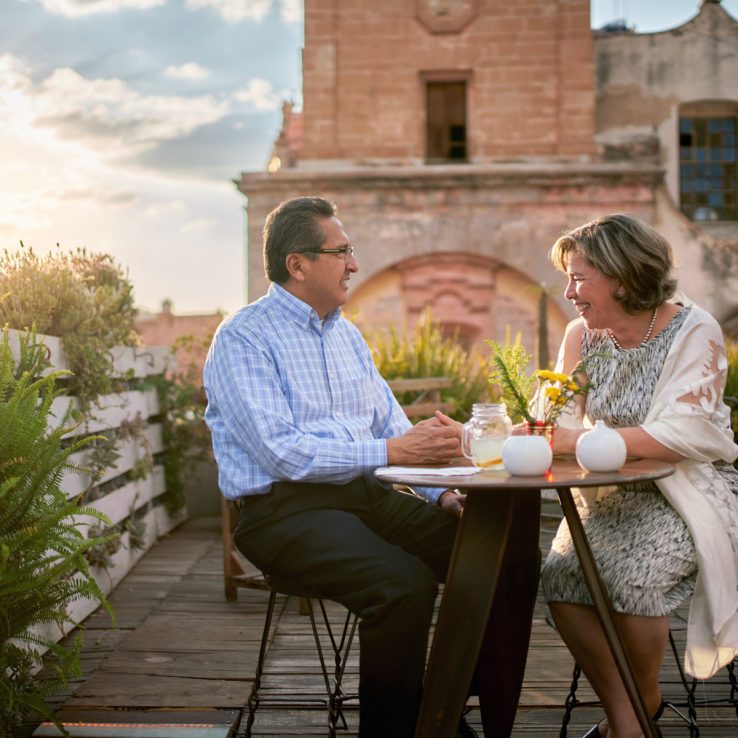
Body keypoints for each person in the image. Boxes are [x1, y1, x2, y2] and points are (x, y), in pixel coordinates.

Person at [203, 196, 539, 738]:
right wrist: (395, 455)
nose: (354, 264)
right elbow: (283, 453)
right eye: (343, 252)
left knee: (495, 555)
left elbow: (392, 431)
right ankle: (408, 729)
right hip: (283, 512)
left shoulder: (348, 336)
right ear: (299, 264)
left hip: (368, 496)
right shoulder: (243, 337)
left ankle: (441, 710)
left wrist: (441, 495)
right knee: (400, 587)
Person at [538, 214, 738, 738]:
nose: (570, 291)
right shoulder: (582, 335)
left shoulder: (693, 329)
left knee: (631, 579)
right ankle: (633, 712)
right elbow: (554, 416)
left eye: (579, 278)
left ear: (622, 278)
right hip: (604, 493)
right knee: (560, 578)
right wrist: (531, 428)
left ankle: (629, 718)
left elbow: (684, 432)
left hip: (685, 489)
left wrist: (578, 441)